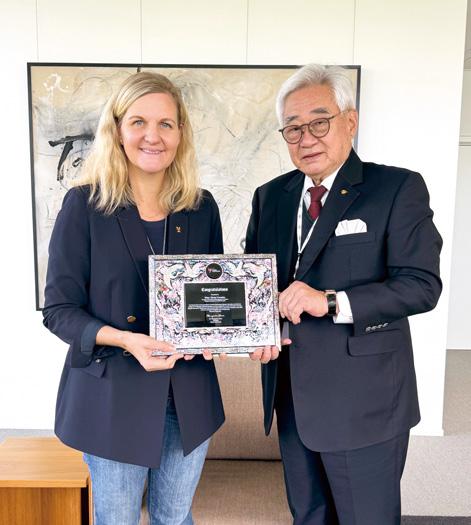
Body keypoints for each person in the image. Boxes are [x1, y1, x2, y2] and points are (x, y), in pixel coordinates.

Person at [245, 64, 442, 525]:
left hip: (364, 401)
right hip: (292, 398)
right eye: (293, 128)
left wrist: (330, 301)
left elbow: (421, 285)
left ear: (350, 122)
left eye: (319, 123)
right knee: (308, 516)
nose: (306, 138)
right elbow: (257, 286)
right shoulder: (270, 196)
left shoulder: (396, 188)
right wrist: (256, 329)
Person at [43, 72, 226, 525]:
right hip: (113, 396)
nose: (153, 136)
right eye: (139, 122)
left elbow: (213, 298)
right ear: (118, 130)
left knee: (175, 518)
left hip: (188, 395)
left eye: (166, 123)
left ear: (180, 132)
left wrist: (224, 333)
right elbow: (59, 311)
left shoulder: (201, 207)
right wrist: (126, 339)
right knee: (118, 519)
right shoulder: (84, 206)